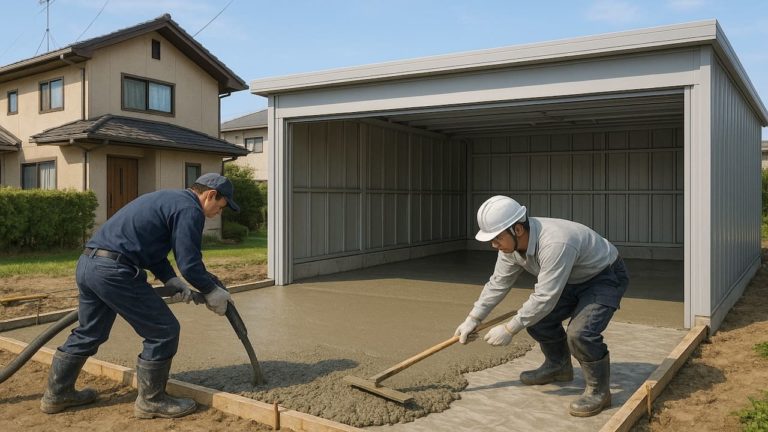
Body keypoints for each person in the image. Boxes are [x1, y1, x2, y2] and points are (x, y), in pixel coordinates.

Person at [40, 173, 239, 419]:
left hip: (89, 264)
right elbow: (189, 263)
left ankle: (57, 394)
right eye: (221, 206)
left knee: (90, 332)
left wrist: (170, 279)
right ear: (210, 194)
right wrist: (211, 291)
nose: (219, 212)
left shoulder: (169, 199)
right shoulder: (190, 209)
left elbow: (152, 250)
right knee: (163, 331)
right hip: (115, 271)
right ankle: (151, 401)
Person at [454, 195, 629, 417]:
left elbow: (546, 296)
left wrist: (510, 329)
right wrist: (473, 318)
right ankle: (559, 366)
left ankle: (599, 392)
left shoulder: (555, 242)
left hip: (603, 276)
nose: (493, 244)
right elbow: (498, 283)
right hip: (570, 278)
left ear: (517, 230)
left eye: (497, 238)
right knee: (539, 321)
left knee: (580, 334)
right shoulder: (509, 249)